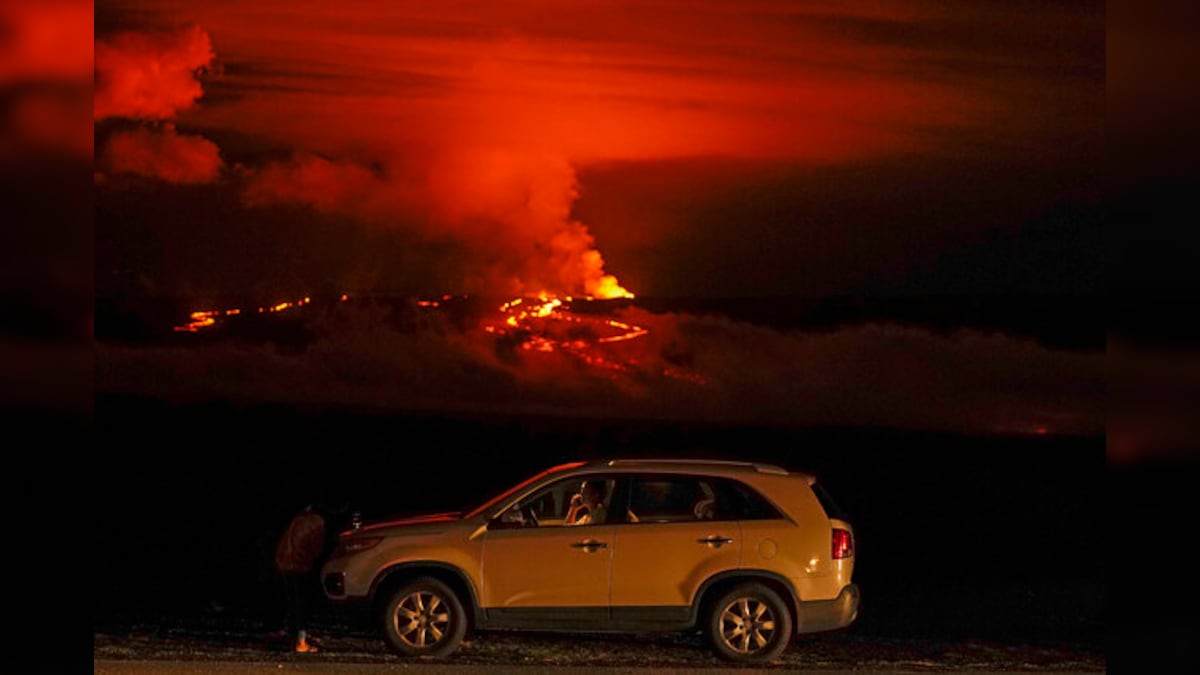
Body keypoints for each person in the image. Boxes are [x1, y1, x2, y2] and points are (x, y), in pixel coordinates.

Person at [273, 503, 327, 653]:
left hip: (283, 561)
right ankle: (301, 641)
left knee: (293, 600)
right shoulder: (316, 521)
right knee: (300, 603)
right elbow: (316, 547)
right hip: (298, 565)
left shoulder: (298, 519)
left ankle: (292, 634)